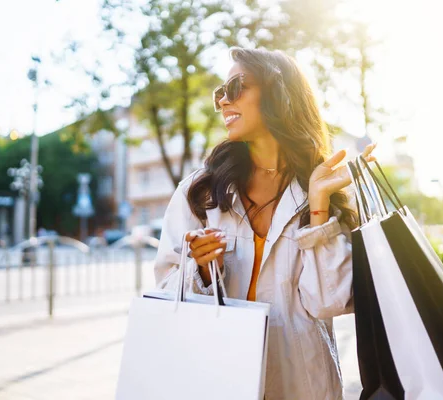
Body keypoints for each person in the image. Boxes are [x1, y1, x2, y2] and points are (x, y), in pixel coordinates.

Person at [154, 47, 376, 399]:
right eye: (219, 94)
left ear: (278, 92)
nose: (224, 103)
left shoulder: (319, 188)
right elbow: (165, 293)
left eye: (236, 87)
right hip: (217, 377)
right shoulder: (201, 192)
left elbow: (328, 303)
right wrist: (203, 270)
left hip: (300, 383)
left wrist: (317, 207)